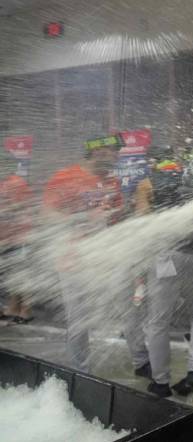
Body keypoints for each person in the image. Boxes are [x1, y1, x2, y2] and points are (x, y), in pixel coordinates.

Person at [133, 145, 193, 398]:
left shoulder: (147, 183)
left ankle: (161, 382)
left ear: (153, 161)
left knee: (158, 322)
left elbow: (142, 221)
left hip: (167, 257)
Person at [42, 136, 124, 373]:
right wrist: (82, 219)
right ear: (97, 151)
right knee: (78, 320)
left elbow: (115, 218)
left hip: (102, 260)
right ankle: (80, 371)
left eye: (116, 152)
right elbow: (47, 216)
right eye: (112, 151)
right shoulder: (65, 177)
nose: (115, 156)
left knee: (104, 314)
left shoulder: (112, 182)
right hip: (72, 260)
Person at [0, 174, 34, 325]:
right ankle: (13, 308)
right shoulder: (6, 182)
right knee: (12, 276)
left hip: (18, 236)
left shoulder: (15, 182)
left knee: (22, 275)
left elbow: (22, 206)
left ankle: (26, 310)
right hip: (6, 236)